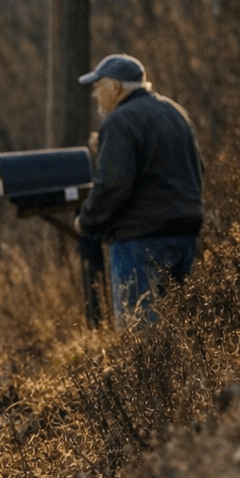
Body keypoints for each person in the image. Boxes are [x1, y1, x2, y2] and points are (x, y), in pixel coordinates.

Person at [74, 53, 206, 327]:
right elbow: (199, 169)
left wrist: (86, 221)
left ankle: (148, 371)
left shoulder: (119, 122)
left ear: (116, 88)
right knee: (181, 329)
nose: (96, 95)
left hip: (139, 241)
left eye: (98, 87)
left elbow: (112, 185)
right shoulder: (176, 113)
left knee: (140, 333)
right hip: (186, 235)